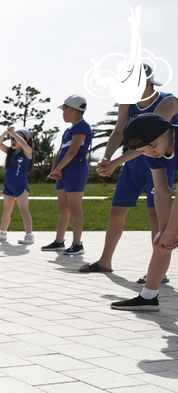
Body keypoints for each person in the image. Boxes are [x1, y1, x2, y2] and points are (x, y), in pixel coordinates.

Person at [81, 64, 178, 281]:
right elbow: (119, 130)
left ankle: (157, 273)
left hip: (159, 157)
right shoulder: (128, 100)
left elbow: (152, 140)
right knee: (117, 210)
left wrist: (115, 162)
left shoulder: (169, 101)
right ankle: (105, 261)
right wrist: (107, 157)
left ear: (147, 82)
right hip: (134, 159)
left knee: (156, 214)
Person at [110, 113, 177, 311]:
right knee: (162, 240)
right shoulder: (153, 153)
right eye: (144, 151)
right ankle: (148, 297)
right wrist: (164, 230)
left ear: (167, 131)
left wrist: (172, 230)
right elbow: (162, 191)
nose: (151, 153)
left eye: (153, 146)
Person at [42, 95, 93, 255]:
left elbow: (73, 151)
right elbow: (61, 150)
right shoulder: (68, 130)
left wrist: (60, 168)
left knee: (75, 207)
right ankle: (59, 241)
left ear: (70, 109)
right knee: (63, 206)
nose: (63, 113)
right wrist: (55, 169)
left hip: (76, 170)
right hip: (63, 171)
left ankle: (77, 244)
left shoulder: (82, 127)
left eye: (64, 110)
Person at [0, 127, 34, 244]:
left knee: (24, 210)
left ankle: (29, 235)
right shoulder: (10, 152)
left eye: (17, 139)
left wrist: (14, 133)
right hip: (9, 185)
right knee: (7, 210)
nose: (13, 141)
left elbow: (25, 146)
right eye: (12, 139)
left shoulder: (27, 152)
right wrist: (6, 132)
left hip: (20, 185)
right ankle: (3, 232)